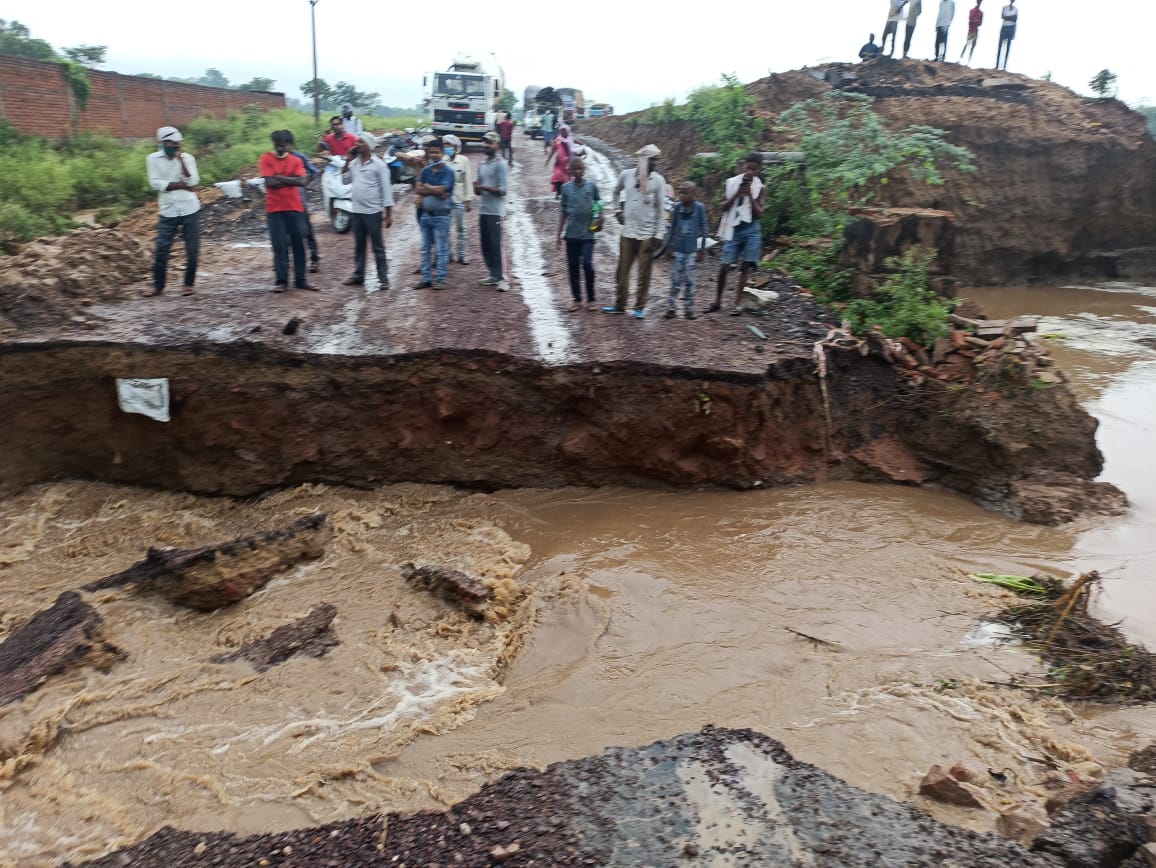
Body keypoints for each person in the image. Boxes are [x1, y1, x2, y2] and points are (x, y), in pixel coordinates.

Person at [605, 143, 666, 318]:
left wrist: (659, 234)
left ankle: (639, 306)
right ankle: (620, 304)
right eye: (653, 160)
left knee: (644, 272)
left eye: (656, 160)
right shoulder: (627, 176)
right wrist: (617, 210)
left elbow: (661, 210)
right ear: (643, 160)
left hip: (647, 234)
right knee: (622, 270)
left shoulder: (658, 181)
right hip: (628, 231)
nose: (656, 163)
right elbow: (616, 192)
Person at [708, 152, 765, 316]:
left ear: (759, 169)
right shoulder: (732, 183)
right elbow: (723, 207)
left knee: (745, 266)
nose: (749, 171)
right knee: (725, 265)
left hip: (751, 229)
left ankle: (737, 303)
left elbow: (760, 213)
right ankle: (717, 301)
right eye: (747, 167)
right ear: (743, 165)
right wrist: (737, 194)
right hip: (734, 228)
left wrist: (749, 196)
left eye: (753, 169)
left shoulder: (761, 187)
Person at [144, 125, 200, 297]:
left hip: (190, 208)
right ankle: (158, 286)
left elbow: (193, 182)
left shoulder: (187, 158)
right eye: (171, 143)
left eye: (177, 143)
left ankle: (188, 284)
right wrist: (179, 185)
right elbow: (155, 183)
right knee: (162, 248)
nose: (174, 146)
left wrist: (181, 160)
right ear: (162, 143)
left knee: (192, 248)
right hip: (168, 210)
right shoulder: (153, 159)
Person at [259, 130, 315, 292]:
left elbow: (303, 181)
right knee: (279, 246)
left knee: (299, 245)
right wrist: (292, 180)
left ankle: (301, 280)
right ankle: (281, 281)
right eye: (278, 146)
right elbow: (269, 183)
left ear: (290, 145)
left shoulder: (296, 160)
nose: (281, 149)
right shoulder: (265, 158)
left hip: (295, 208)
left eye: (283, 146)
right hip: (275, 209)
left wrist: (279, 177)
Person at [341, 132, 394, 289]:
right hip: (357, 211)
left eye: (361, 142)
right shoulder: (354, 164)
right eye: (357, 142)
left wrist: (388, 215)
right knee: (359, 245)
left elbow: (386, 191)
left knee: (377, 246)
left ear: (369, 146)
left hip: (373, 212)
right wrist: (347, 161)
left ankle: (383, 279)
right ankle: (358, 275)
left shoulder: (379, 165)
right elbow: (344, 180)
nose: (357, 144)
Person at [556, 156, 602, 312]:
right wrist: (559, 234)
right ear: (570, 171)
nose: (578, 171)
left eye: (580, 168)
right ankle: (577, 299)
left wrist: (600, 219)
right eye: (574, 168)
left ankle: (591, 299)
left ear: (584, 169)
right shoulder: (566, 188)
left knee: (588, 265)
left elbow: (598, 205)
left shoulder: (592, 187)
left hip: (588, 234)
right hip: (571, 235)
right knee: (573, 266)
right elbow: (563, 212)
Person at [664, 181, 708, 320]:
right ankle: (671, 308)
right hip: (679, 250)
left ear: (693, 194)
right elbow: (672, 228)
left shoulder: (699, 208)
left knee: (690, 281)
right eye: (680, 192)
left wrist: (702, 249)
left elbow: (704, 229)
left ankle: (689, 309)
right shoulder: (677, 208)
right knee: (675, 281)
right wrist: (669, 246)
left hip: (691, 251)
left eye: (685, 192)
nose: (681, 195)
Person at [414, 138, 454, 289]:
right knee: (425, 248)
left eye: (437, 152)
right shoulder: (426, 170)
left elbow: (443, 190)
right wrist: (435, 190)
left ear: (442, 153)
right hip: (426, 214)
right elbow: (418, 189)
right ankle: (426, 278)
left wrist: (428, 187)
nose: (434, 155)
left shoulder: (448, 171)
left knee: (441, 248)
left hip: (442, 215)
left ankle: (441, 278)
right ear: (428, 153)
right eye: (431, 152)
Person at [474, 131, 510, 292]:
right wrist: (477, 189)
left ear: (497, 144)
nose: (486, 145)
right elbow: (479, 191)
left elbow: (503, 190)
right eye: (485, 142)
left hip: (496, 211)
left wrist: (483, 187)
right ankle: (493, 274)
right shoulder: (482, 165)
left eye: (489, 142)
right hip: (484, 210)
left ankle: (503, 278)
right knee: (486, 244)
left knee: (497, 245)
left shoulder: (501, 164)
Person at [286, 132, 320, 274]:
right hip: (284, 203)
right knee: (286, 233)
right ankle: (285, 260)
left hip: (299, 201)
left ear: (291, 145)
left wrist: (305, 182)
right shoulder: (276, 160)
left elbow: (313, 171)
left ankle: (314, 259)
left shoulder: (299, 157)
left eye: (286, 145)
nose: (283, 148)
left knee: (306, 231)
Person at [442, 134, 474, 265]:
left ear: (456, 146)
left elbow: (467, 180)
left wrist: (468, 199)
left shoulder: (464, 160)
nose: (446, 147)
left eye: (449, 145)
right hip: (445, 200)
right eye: (444, 145)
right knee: (446, 228)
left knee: (462, 229)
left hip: (459, 199)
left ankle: (462, 255)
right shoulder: (442, 160)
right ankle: (449, 254)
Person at [548, 124, 574, 197]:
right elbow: (553, 150)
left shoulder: (571, 139)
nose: (562, 132)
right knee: (557, 177)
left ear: (568, 131)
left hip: (568, 163)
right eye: (561, 131)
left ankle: (564, 193)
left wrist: (585, 147)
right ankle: (558, 193)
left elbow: (576, 149)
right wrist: (548, 160)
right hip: (559, 163)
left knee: (566, 179)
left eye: (564, 131)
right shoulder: (558, 139)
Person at [996, 0, 1017, 69]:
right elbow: (1002, 16)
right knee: (1000, 46)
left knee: (1007, 47)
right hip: (1005, 27)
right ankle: (997, 65)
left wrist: (1007, 17)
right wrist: (1011, 17)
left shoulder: (1015, 9)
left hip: (1011, 28)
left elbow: (1015, 19)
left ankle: (1004, 66)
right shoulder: (1004, 8)